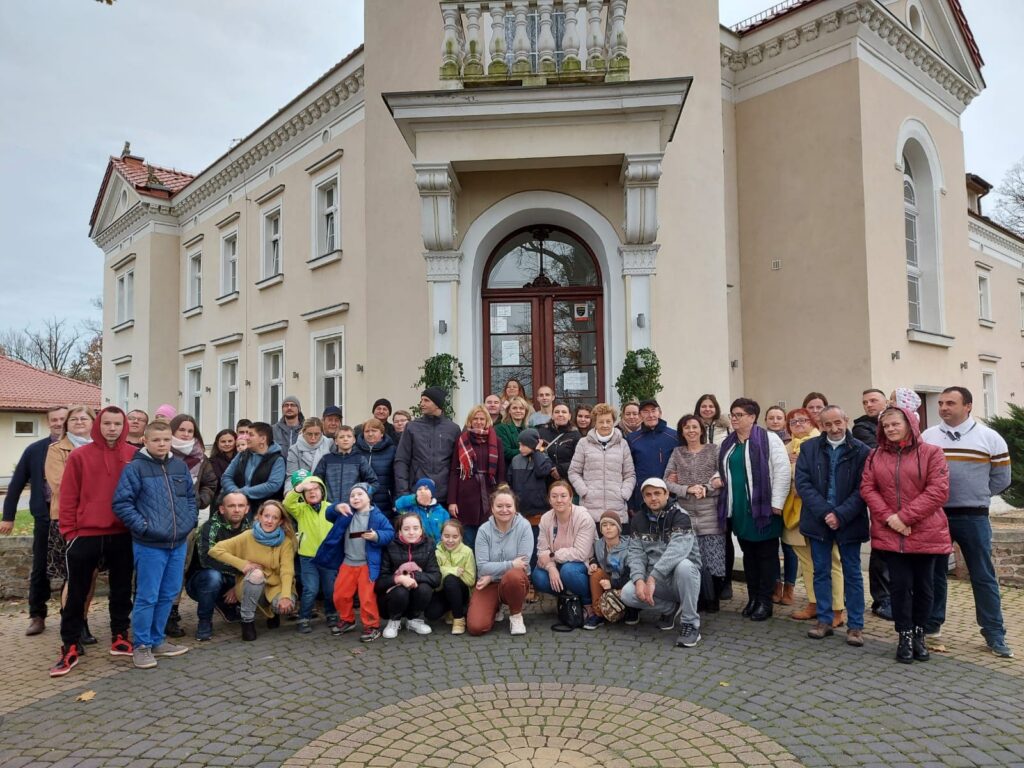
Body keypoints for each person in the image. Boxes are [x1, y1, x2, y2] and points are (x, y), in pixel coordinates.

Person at [922, 386, 1013, 659]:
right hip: (936, 515)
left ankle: (994, 634)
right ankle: (931, 627)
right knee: (934, 573)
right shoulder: (928, 437)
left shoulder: (990, 437)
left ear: (968, 406)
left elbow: (1002, 479)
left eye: (950, 403)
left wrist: (977, 494)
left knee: (983, 575)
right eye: (940, 403)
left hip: (974, 516)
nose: (943, 408)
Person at [48, 406, 138, 677]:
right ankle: (70, 645)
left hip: (122, 533)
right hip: (85, 534)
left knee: (122, 589)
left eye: (117, 424)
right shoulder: (79, 456)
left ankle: (120, 635)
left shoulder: (134, 455)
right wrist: (70, 532)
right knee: (77, 592)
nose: (112, 428)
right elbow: (68, 496)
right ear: (98, 425)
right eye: (107, 423)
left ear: (124, 426)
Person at [861, 406, 951, 663]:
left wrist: (904, 518)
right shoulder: (875, 456)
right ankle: (905, 635)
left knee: (924, 586)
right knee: (899, 587)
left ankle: (920, 633)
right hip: (891, 533)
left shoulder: (932, 453)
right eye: (886, 425)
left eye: (895, 424)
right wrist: (891, 519)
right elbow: (868, 488)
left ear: (909, 423)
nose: (890, 429)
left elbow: (938, 491)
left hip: (925, 531)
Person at [113, 420, 198, 668]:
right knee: (147, 595)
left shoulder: (179, 466)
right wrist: (144, 527)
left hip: (177, 542)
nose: (162, 444)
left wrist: (189, 521)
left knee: (168, 593)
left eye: (166, 440)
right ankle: (141, 646)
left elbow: (190, 498)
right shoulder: (135, 468)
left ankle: (157, 640)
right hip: (149, 544)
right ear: (145, 441)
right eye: (156, 440)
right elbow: (122, 504)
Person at [795, 406, 871, 646]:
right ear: (821, 425)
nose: (834, 428)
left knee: (853, 574)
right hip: (818, 520)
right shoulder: (809, 448)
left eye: (838, 422)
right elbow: (803, 483)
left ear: (846, 420)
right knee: (821, 571)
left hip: (850, 521)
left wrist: (840, 514)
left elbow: (864, 488)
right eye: (827, 424)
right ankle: (824, 620)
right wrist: (826, 512)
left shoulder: (862, 451)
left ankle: (855, 626)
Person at [717, 398, 790, 621]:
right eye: (732, 415)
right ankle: (753, 598)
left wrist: (777, 503)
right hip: (739, 509)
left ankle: (765, 602)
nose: (734, 419)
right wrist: (714, 480)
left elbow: (782, 471)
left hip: (763, 510)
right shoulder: (728, 443)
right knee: (749, 556)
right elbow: (722, 471)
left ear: (752, 417)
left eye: (739, 415)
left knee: (766, 556)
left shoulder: (769, 439)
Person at [1, 404, 67, 636]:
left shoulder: (79, 448)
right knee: (40, 567)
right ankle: (37, 615)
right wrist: (8, 517)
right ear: (49, 422)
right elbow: (16, 484)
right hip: (45, 516)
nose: (58, 423)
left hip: (73, 516)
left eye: (62, 418)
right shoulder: (35, 450)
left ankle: (70, 614)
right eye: (54, 419)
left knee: (74, 568)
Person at [621, 478, 703, 648]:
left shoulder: (680, 516)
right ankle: (670, 608)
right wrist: (639, 579)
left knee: (684, 566)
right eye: (648, 494)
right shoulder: (638, 520)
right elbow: (636, 553)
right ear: (644, 498)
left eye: (657, 493)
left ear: (667, 494)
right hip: (656, 580)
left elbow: (677, 550)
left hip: (681, 579)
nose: (653, 498)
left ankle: (691, 624)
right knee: (627, 593)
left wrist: (653, 578)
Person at [314, 483, 395, 642]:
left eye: (360, 494)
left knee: (367, 598)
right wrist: (337, 507)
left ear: (369, 498)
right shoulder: (346, 512)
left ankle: (372, 626)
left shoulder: (377, 516)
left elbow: (390, 533)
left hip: (367, 565)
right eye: (352, 495)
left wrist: (376, 536)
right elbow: (329, 514)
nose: (355, 498)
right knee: (340, 594)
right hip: (347, 562)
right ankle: (347, 620)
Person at [45, 405, 98, 643]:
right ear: (66, 424)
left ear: (93, 423)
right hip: (68, 519)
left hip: (96, 520)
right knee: (74, 576)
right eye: (74, 419)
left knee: (91, 575)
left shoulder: (100, 448)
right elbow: (60, 484)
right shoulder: (57, 450)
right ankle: (71, 626)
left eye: (84, 418)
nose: (79, 422)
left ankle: (83, 620)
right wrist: (97, 493)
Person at [209, 500, 298, 642]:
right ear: (259, 516)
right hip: (250, 583)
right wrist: (243, 564)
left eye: (275, 517)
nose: (269, 521)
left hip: (276, 585)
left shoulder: (285, 541)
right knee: (256, 574)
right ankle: (247, 621)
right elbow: (215, 550)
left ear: (280, 521)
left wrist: (286, 596)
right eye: (266, 516)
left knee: (284, 606)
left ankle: (272, 613)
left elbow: (287, 571)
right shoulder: (248, 536)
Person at [664, 414, 726, 612]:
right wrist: (687, 489)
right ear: (682, 432)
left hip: (710, 510)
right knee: (691, 558)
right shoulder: (677, 453)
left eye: (694, 427)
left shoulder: (713, 450)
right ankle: (696, 598)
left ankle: (713, 599)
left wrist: (706, 487)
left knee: (714, 558)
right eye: (687, 427)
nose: (691, 431)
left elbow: (722, 476)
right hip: (686, 513)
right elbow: (666, 482)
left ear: (701, 430)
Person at [467, 485, 533, 636]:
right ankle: (495, 606)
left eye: (509, 506)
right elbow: (482, 567)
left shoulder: (524, 526)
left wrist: (492, 575)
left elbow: (522, 565)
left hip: (512, 581)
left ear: (515, 508)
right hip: (489, 583)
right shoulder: (484, 530)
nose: (504, 510)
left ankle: (516, 616)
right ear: (492, 508)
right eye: (499, 506)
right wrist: (510, 564)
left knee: (514, 576)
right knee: (476, 627)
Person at [185, 491, 250, 641]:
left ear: (247, 509)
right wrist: (240, 573)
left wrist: (239, 585)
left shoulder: (251, 529)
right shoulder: (209, 528)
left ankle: (243, 615)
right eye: (231, 506)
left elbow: (256, 561)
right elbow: (208, 560)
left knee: (256, 574)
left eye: (241, 506)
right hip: (201, 581)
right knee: (213, 577)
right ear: (222, 509)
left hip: (234, 577)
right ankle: (205, 621)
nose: (237, 510)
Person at [851, 388, 893, 621]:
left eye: (873, 400)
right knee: (881, 547)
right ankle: (882, 599)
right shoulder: (862, 428)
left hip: (903, 493)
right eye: (865, 402)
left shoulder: (896, 421)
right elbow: (878, 453)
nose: (868, 404)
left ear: (886, 402)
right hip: (878, 492)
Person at [781, 408, 825, 621]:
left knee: (826, 561)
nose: (798, 424)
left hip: (816, 511)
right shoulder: (788, 447)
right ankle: (815, 602)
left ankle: (832, 605)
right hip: (793, 512)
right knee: (807, 561)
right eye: (793, 422)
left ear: (812, 422)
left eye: (802, 420)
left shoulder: (819, 443)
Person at [532, 480, 597, 620]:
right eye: (554, 496)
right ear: (549, 500)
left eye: (563, 496)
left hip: (581, 564)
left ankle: (587, 602)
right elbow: (541, 551)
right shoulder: (546, 519)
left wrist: (552, 556)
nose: (559, 500)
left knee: (568, 571)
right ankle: (567, 599)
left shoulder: (583, 517)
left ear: (571, 497)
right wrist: (551, 568)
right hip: (557, 564)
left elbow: (581, 553)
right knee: (538, 576)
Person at [283, 475, 338, 634]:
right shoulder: (300, 510)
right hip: (308, 558)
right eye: (308, 490)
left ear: (323, 491)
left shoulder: (330, 508)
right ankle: (304, 618)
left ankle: (331, 614)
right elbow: (287, 503)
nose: (312, 492)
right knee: (310, 589)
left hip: (328, 557)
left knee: (330, 589)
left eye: (316, 489)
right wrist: (300, 487)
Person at [446, 405, 506, 549]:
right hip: (466, 495)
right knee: (468, 541)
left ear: (487, 421)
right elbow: (454, 471)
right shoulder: (462, 440)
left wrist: (502, 496)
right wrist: (452, 501)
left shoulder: (496, 441)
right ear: (470, 421)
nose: (479, 422)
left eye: (482, 419)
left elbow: (501, 470)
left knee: (489, 541)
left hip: (489, 493)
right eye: (475, 419)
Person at [568, 403, 635, 526]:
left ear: (613, 422)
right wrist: (584, 491)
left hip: (616, 509)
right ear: (595, 423)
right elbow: (573, 472)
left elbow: (630, 474)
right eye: (601, 422)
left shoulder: (622, 444)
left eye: (608, 421)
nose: (605, 425)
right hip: (590, 509)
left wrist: (624, 494)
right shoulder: (583, 443)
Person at [377, 513, 442, 639]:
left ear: (421, 530)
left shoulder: (429, 544)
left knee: (425, 589)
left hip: (416, 590)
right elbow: (380, 582)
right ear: (399, 531)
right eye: (406, 529)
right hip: (392, 596)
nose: (411, 532)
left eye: (416, 528)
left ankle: (413, 619)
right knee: (400, 592)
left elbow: (436, 578)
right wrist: (399, 579)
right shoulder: (389, 546)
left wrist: (412, 576)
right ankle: (394, 621)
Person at [220, 422, 286, 519]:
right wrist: (235, 493)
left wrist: (243, 492)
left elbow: (273, 485)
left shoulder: (277, 459)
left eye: (251, 434)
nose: (246, 437)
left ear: (263, 439)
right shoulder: (242, 455)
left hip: (264, 512)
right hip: (239, 508)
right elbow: (226, 476)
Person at [626, 399, 678, 512]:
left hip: (669, 497)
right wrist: (630, 503)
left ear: (660, 413)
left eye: (653, 411)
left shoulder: (674, 436)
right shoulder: (632, 439)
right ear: (640, 415)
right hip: (642, 498)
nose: (650, 415)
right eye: (645, 411)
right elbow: (628, 472)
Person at [426, 519, 476, 634]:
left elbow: (471, 579)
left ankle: (459, 619)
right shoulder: (436, 552)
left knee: (450, 580)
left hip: (462, 592)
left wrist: (446, 573)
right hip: (442, 590)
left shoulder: (467, 552)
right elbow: (435, 578)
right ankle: (450, 610)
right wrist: (453, 570)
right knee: (431, 614)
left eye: (455, 536)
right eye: (446, 536)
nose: (450, 540)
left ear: (461, 537)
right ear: (441, 536)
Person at [314, 425, 378, 513]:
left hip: (353, 509)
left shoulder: (360, 459)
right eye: (341, 437)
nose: (345, 439)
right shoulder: (326, 459)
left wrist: (361, 495)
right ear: (336, 441)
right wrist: (319, 502)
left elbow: (374, 483)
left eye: (349, 436)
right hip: (329, 509)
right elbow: (316, 482)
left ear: (354, 440)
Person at [587, 511, 635, 628]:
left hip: (625, 582)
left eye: (612, 525)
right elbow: (595, 558)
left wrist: (612, 584)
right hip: (608, 579)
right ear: (601, 529)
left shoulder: (630, 547)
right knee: (595, 573)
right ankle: (598, 614)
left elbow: (631, 575)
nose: (608, 528)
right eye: (604, 525)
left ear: (619, 529)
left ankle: (632, 610)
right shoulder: (598, 545)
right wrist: (593, 563)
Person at [169, 414, 218, 510]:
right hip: (161, 510)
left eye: (190, 431)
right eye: (181, 430)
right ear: (172, 430)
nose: (186, 434)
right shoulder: (162, 452)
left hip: (189, 511)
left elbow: (210, 483)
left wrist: (199, 501)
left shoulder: (200, 457)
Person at [356, 417, 397, 515]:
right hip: (359, 502)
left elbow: (396, 478)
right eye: (367, 431)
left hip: (385, 502)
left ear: (382, 433)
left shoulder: (392, 450)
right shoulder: (355, 450)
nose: (370, 434)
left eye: (374, 431)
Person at [395, 477, 449, 544]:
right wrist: (414, 499)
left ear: (432, 493)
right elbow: (398, 505)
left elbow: (447, 532)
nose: (422, 491)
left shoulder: (442, 512)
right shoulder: (412, 509)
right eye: (419, 489)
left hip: (437, 546)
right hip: (418, 546)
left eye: (426, 489)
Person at [285, 417, 333, 493]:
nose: (313, 438)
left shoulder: (330, 445)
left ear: (322, 433)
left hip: (324, 491)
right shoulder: (294, 450)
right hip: (302, 491)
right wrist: (288, 493)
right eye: (309, 434)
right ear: (303, 432)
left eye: (317, 434)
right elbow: (291, 476)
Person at [538, 402, 581, 484]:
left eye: (564, 412)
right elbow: (539, 453)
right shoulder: (541, 433)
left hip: (567, 479)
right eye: (557, 412)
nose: (560, 414)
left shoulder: (575, 435)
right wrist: (551, 469)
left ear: (569, 416)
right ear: (552, 416)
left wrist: (560, 469)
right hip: (545, 479)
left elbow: (579, 460)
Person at [496, 396, 533, 464]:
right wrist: (529, 451)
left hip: (530, 468)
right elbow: (506, 452)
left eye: (521, 408)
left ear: (525, 411)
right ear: (509, 411)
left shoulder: (531, 429)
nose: (518, 411)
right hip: (511, 467)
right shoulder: (501, 428)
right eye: (514, 408)